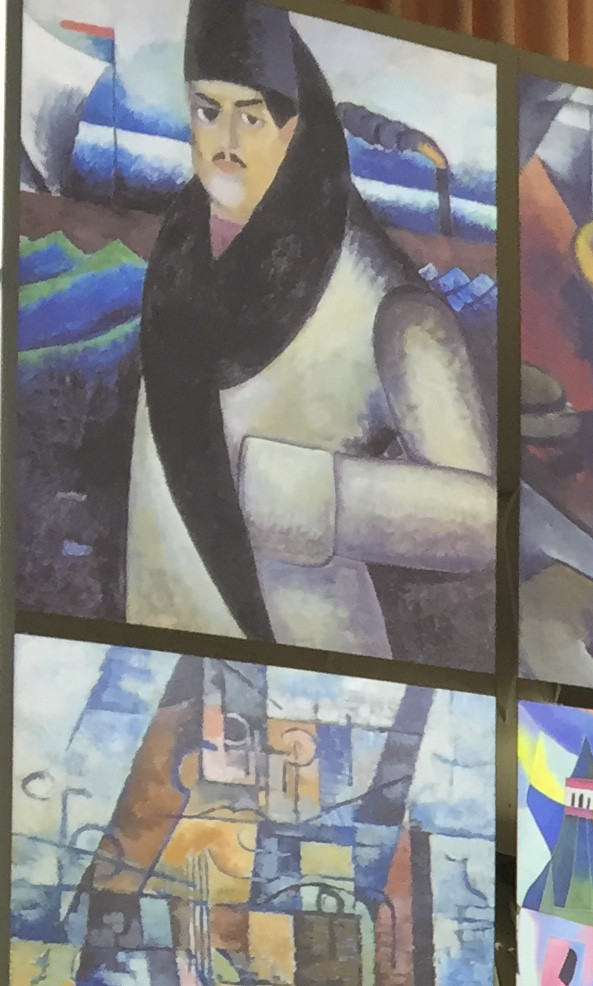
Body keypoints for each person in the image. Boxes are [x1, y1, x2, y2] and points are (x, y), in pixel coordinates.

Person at [125, 0, 495, 658]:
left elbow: (480, 520)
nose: (225, 142)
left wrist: (291, 491)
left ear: (295, 130)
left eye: (252, 117)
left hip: (309, 666)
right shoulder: (182, 243)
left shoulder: (388, 303)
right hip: (157, 644)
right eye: (208, 111)